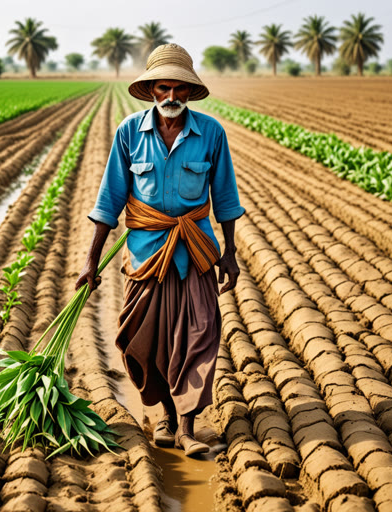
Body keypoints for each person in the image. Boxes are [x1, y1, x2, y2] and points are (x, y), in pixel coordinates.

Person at [75, 43, 245, 457]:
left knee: (199, 335)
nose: (171, 97)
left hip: (196, 252)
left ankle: (187, 428)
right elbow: (109, 201)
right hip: (147, 254)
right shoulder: (129, 133)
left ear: (190, 92)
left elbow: (224, 198)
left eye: (179, 89)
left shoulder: (211, 134)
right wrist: (90, 260)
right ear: (151, 89)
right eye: (163, 88)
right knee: (147, 342)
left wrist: (231, 252)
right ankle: (166, 418)